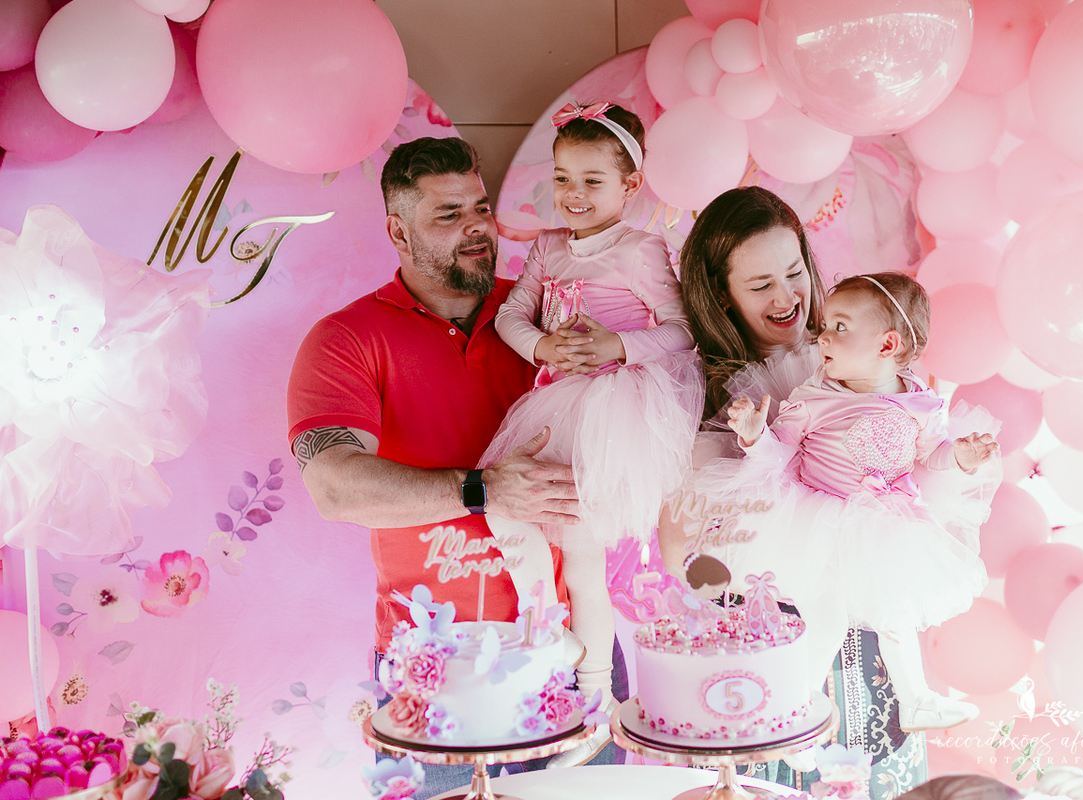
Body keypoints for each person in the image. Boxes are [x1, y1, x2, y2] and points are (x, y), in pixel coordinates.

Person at [286, 136, 625, 797]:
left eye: (480, 207)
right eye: (448, 216)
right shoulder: (346, 341)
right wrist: (482, 490)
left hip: (571, 654)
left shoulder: (545, 319)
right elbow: (332, 485)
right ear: (398, 231)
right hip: (434, 667)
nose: (476, 228)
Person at [660, 186, 927, 799]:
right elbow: (684, 558)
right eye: (759, 286)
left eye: (794, 272)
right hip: (756, 632)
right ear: (719, 295)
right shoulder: (697, 393)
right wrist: (739, 594)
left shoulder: (862, 360)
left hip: (859, 620)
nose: (787, 299)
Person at [480, 101, 703, 715]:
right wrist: (541, 344)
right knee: (506, 510)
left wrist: (619, 345)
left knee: (582, 554)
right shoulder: (549, 247)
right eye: (563, 178)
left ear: (630, 186)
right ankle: (546, 630)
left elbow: (682, 329)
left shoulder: (640, 250)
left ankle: (597, 695)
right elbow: (510, 315)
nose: (573, 195)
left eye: (591, 181)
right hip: (553, 402)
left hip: (610, 411)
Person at [718, 272, 1000, 732]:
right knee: (825, 618)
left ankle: (917, 702)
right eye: (826, 324)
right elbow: (780, 454)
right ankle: (800, 714)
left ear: (887, 346)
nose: (823, 335)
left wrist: (962, 457)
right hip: (821, 521)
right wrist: (754, 437)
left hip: (888, 523)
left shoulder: (921, 404)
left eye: (840, 327)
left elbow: (932, 454)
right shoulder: (814, 398)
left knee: (896, 613)